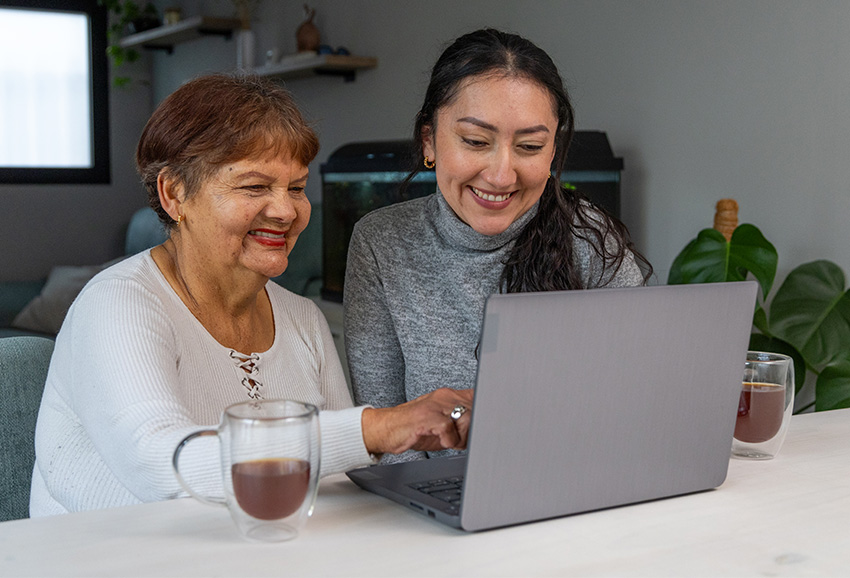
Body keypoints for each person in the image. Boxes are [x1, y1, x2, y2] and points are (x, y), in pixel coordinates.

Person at [30, 74, 471, 516]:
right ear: (174, 194)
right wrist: (377, 427)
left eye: (296, 188)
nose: (285, 210)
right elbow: (163, 469)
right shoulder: (118, 304)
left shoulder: (303, 318)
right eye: (255, 187)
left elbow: (340, 480)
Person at [344, 28, 652, 462]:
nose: (502, 175)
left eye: (529, 146)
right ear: (429, 140)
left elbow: (639, 405)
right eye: (475, 141)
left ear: (553, 152)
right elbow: (386, 439)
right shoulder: (382, 244)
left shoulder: (590, 240)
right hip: (432, 509)